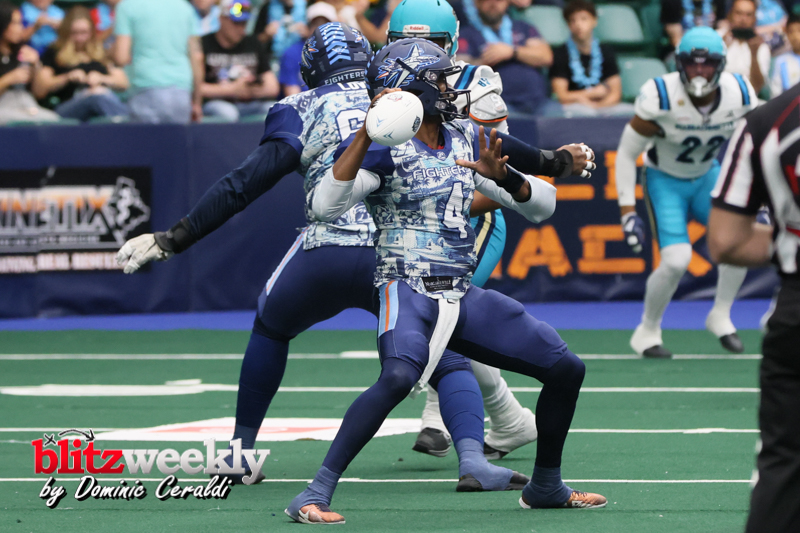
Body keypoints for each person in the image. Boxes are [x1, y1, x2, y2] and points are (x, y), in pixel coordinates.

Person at [115, 21, 594, 492]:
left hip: (330, 249)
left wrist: (174, 238)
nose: (451, 89)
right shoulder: (412, 121)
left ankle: (241, 452)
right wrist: (555, 163)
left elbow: (245, 184)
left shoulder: (309, 107)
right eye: (443, 81)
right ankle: (469, 459)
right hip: (392, 255)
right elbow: (338, 196)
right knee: (442, 352)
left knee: (272, 327)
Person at [285, 39, 605, 524]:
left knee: (567, 369)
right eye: (438, 78)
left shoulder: (466, 137)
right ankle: (314, 493)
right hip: (406, 287)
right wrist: (366, 136)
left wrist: (507, 179)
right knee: (398, 377)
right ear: (409, 85)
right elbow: (323, 207)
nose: (448, 87)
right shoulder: (384, 148)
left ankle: (545, 486)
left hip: (458, 289)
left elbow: (543, 205)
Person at [386, 0, 540, 461]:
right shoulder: (383, 88)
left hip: (470, 217)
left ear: (451, 45)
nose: (417, 56)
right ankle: (507, 419)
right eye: (405, 43)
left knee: (445, 312)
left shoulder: (477, 85)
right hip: (414, 225)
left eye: (430, 44)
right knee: (444, 319)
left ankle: (443, 414)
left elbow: (498, 176)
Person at [614, 27, 758, 358]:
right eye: (692, 63)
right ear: (679, 64)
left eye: (707, 64)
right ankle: (648, 330)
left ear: (721, 65)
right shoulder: (661, 96)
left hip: (708, 176)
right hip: (665, 179)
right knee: (676, 260)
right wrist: (627, 211)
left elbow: (755, 144)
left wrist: (758, 193)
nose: (699, 71)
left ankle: (720, 314)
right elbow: (626, 153)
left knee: (739, 243)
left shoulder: (739, 93)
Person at [708, 81, 800, 533]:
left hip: (796, 312)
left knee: (785, 466)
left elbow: (726, 241)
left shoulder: (766, 120)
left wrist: (788, 241)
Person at [457, 0, 559, 116]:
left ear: (507, 2)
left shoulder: (523, 27)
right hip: (497, 105)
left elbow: (546, 57)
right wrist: (483, 62)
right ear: (477, 4)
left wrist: (512, 52)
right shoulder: (466, 34)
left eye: (499, 0)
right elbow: (459, 70)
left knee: (564, 120)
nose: (493, 4)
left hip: (539, 102)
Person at [113, 0, 204, 123]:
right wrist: (197, 103)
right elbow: (196, 58)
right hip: (181, 93)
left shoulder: (127, 6)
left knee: (145, 137)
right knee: (176, 136)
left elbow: (121, 57)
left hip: (144, 89)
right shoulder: (185, 7)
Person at [33, 7, 129, 122]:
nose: (79, 38)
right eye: (74, 33)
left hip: (102, 101)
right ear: (66, 32)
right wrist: (67, 77)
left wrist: (101, 78)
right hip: (66, 108)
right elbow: (39, 90)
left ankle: (127, 122)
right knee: (96, 98)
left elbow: (123, 82)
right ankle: (130, 125)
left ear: (91, 32)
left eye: (84, 32)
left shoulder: (100, 53)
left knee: (100, 95)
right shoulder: (54, 52)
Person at [550, 0, 634, 117]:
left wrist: (598, 107)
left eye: (584, 19)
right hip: (575, 106)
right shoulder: (561, 53)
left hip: (605, 106)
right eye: (573, 20)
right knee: (584, 113)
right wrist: (590, 94)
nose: (578, 25)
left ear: (594, 21)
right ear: (568, 25)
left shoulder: (605, 51)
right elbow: (561, 95)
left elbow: (615, 93)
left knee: (633, 111)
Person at [201, 0, 279, 122]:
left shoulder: (253, 43)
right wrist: (232, 89)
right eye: (236, 23)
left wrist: (250, 90)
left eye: (244, 23)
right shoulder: (204, 44)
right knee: (228, 113)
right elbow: (197, 88)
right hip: (216, 103)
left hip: (250, 103)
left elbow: (272, 87)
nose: (241, 29)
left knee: (277, 110)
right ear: (221, 19)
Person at [0, 1, 58, 124]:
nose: (20, 28)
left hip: (26, 105)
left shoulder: (24, 52)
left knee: (54, 120)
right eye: (15, 23)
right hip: (3, 108)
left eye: (21, 22)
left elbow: (40, 93)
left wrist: (36, 65)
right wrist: (9, 79)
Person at [278, 1, 337, 96]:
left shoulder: (340, 52)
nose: (321, 29)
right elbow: (293, 96)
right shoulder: (292, 53)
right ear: (307, 27)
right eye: (316, 24)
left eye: (326, 25)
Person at [719, 0, 771, 94]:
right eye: (738, 13)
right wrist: (721, 48)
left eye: (748, 15)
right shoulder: (717, 38)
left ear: (754, 19)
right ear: (729, 15)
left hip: (748, 98)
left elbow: (757, 87)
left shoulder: (761, 47)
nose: (743, 19)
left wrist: (754, 55)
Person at [660, 0, 728, 51]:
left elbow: (723, 24)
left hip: (713, 46)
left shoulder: (718, 1)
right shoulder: (672, 2)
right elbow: (676, 40)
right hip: (682, 50)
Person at [770, 13, 800, 97]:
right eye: (790, 32)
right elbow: (775, 93)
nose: (795, 36)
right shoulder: (781, 61)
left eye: (799, 30)